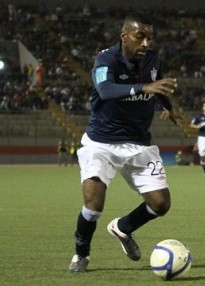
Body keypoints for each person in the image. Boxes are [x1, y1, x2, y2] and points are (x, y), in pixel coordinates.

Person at [69, 12, 181, 273]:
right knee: (93, 204)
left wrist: (169, 107)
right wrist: (142, 88)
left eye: (149, 38)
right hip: (101, 143)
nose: (145, 43)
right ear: (124, 36)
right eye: (140, 37)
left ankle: (122, 228)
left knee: (161, 204)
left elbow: (158, 85)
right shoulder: (105, 59)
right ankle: (81, 255)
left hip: (139, 144)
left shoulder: (152, 59)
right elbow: (105, 90)